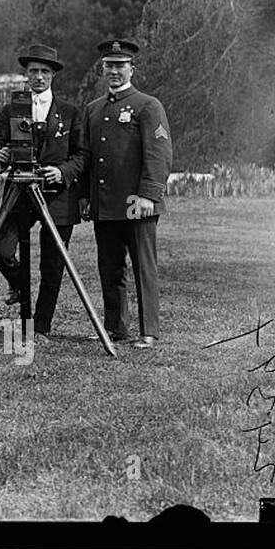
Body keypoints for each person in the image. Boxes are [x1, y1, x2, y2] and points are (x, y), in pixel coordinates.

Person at [0, 44, 88, 344]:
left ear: (53, 75)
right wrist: (0, 154)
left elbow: (81, 155)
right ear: (26, 75)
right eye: (33, 72)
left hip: (57, 196)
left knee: (52, 264)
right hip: (19, 192)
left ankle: (39, 327)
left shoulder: (70, 113)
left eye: (44, 71)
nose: (38, 77)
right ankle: (19, 285)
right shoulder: (11, 109)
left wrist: (63, 172)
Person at [79, 39, 173, 349]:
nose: (114, 71)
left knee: (144, 267)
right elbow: (87, 157)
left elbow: (159, 154)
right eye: (109, 65)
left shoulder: (148, 105)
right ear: (102, 69)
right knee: (110, 267)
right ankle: (115, 328)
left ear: (132, 68)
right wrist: (84, 196)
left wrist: (148, 194)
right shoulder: (93, 109)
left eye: (120, 65)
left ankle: (149, 331)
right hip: (105, 205)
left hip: (137, 203)